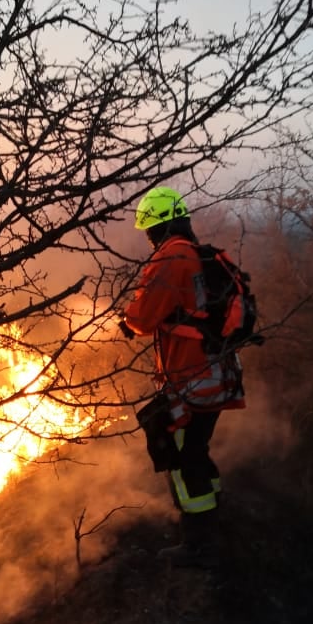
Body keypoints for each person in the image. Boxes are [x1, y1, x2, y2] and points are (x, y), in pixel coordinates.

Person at [122, 186, 246, 569]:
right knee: (196, 447)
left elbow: (143, 318)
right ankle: (214, 513)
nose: (148, 238)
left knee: (178, 454)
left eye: (148, 230)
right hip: (217, 373)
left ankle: (198, 544)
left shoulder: (170, 258)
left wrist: (128, 317)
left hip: (190, 378)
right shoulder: (199, 254)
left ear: (158, 227)